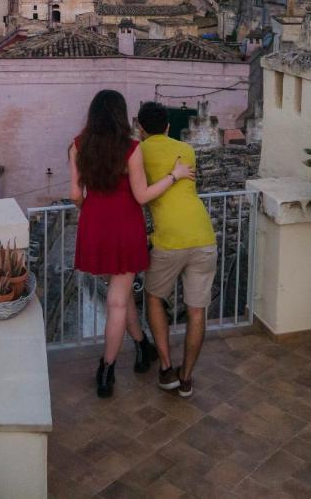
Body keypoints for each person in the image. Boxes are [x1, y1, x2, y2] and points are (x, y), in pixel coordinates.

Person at [70, 89, 195, 398]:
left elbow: (76, 195)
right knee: (117, 300)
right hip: (125, 227)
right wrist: (174, 176)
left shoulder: (77, 146)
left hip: (94, 225)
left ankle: (142, 347)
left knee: (119, 294)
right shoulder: (130, 149)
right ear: (120, 115)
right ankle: (106, 369)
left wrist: (91, 212)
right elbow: (141, 196)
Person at [137, 101, 218, 398]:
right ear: (169, 126)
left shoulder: (139, 152)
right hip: (203, 234)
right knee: (197, 311)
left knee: (154, 296)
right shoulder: (189, 151)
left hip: (169, 239)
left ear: (140, 127)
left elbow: (140, 193)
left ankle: (166, 368)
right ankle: (186, 378)